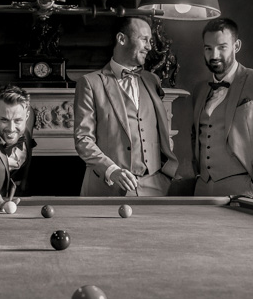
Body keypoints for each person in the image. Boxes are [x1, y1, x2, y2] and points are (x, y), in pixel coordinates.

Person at [191, 18, 253, 201]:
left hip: (246, 189)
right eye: (208, 48)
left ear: (236, 46)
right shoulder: (200, 90)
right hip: (203, 190)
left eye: (222, 47)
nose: (214, 55)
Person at [74, 17, 179, 196]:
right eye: (144, 39)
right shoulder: (90, 83)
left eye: (150, 41)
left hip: (155, 187)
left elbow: (161, 129)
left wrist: (165, 173)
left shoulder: (152, 80)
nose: (149, 47)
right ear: (121, 39)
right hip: (107, 188)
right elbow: (83, 139)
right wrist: (111, 170)